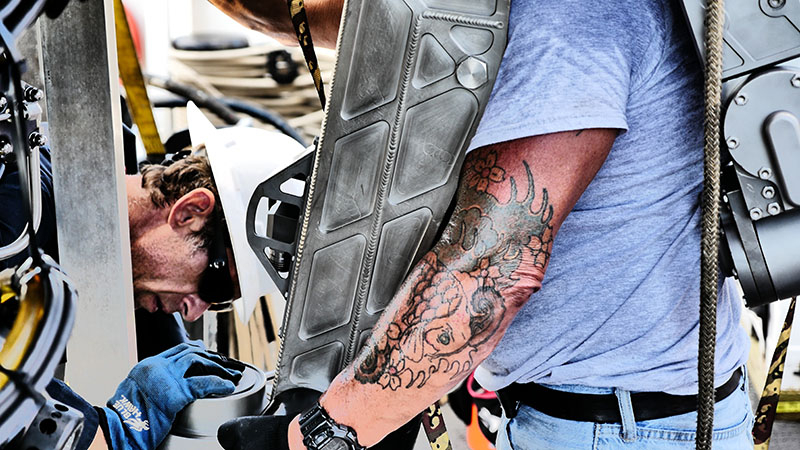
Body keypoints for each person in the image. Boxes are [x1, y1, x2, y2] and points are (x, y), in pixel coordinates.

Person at [209, 0, 753, 449]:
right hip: (602, 414)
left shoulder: (566, 17)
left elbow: (496, 268)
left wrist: (331, 431)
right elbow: (336, 15)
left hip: (622, 426)